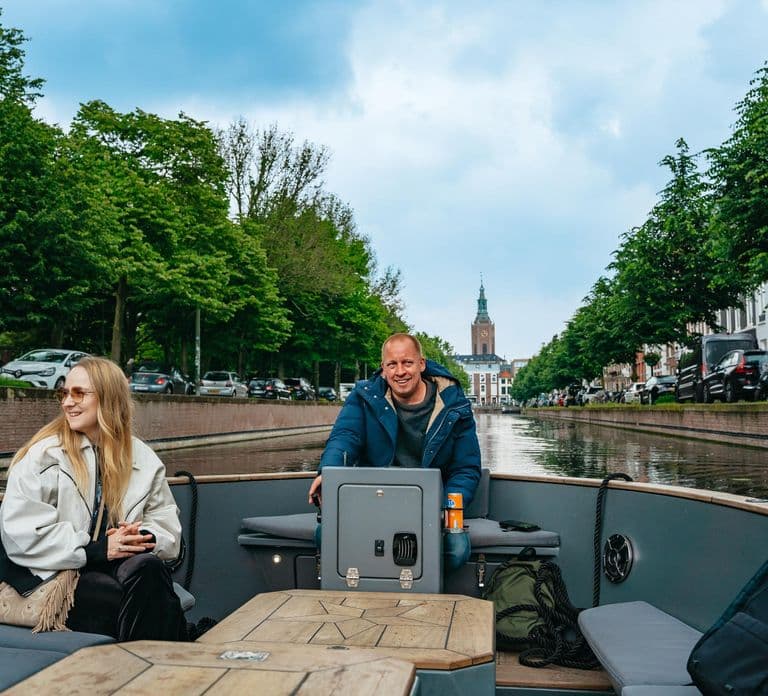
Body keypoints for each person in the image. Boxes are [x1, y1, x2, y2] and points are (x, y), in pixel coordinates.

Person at [0, 356, 187, 641]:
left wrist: (140, 538)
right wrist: (100, 550)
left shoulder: (143, 459)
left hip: (116, 564)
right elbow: (23, 535)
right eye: (64, 393)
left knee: (149, 568)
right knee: (119, 596)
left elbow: (168, 529)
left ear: (109, 398)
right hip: (49, 573)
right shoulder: (44, 456)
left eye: (79, 393)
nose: (67, 402)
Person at [308, 333, 481, 564]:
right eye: (392, 364)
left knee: (456, 550)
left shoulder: (455, 406)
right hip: (373, 501)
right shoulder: (364, 397)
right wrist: (328, 473)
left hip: (430, 507)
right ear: (383, 368)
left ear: (421, 364)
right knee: (325, 535)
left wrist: (442, 508)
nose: (400, 372)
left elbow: (466, 468)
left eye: (407, 363)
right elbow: (345, 437)